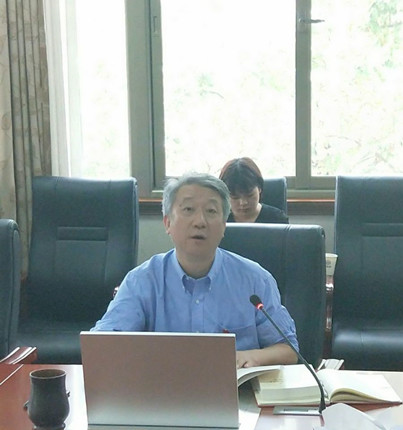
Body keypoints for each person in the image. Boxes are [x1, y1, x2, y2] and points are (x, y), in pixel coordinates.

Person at [91, 172, 298, 368]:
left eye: (211, 211)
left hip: (239, 390)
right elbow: (102, 345)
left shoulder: (255, 280)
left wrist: (250, 356)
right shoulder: (142, 281)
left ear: (224, 226)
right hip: (164, 389)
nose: (200, 222)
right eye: (188, 209)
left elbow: (288, 350)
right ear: (167, 223)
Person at [219, 157, 288, 223]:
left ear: (259, 189)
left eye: (250, 195)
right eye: (235, 197)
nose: (243, 203)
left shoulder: (277, 219)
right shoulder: (218, 219)